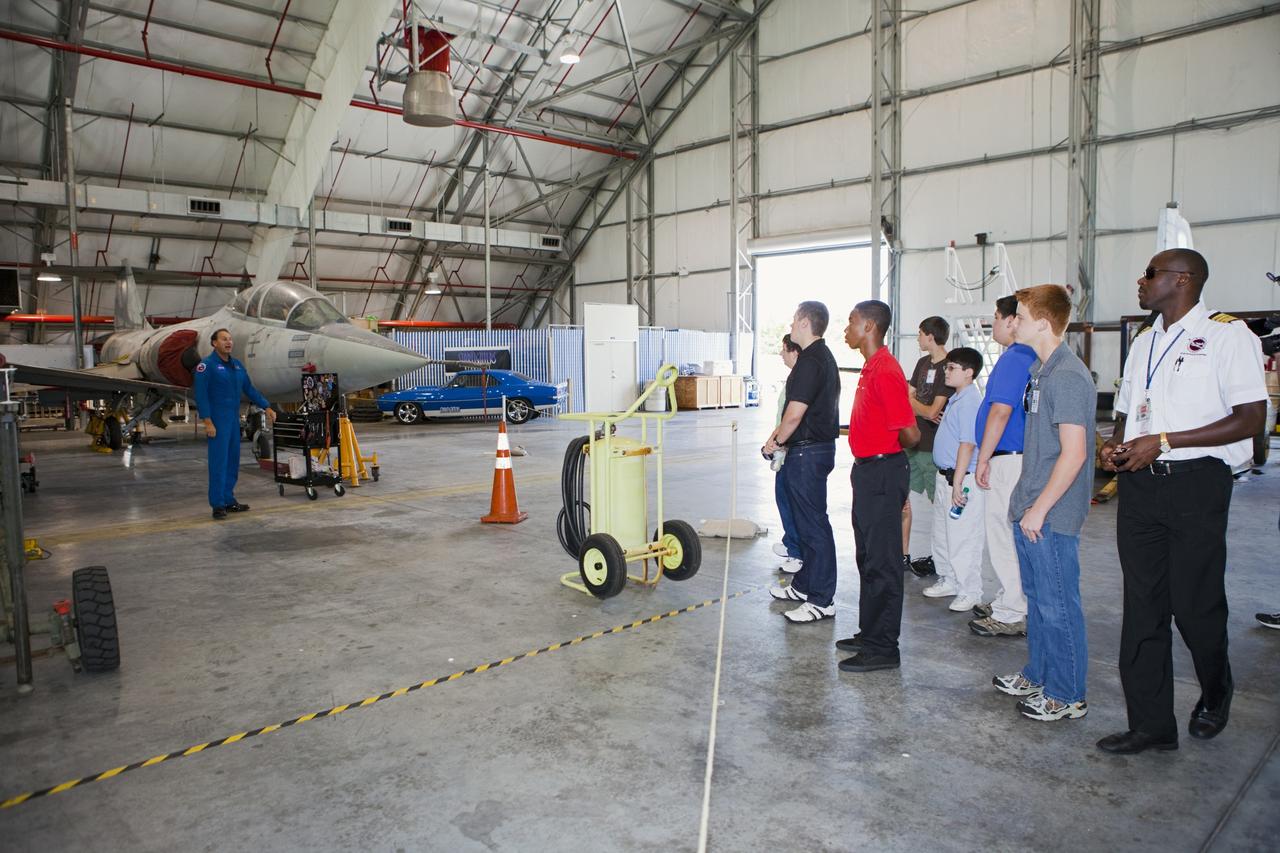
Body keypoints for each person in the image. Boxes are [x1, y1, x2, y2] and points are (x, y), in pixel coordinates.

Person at [1096, 249, 1268, 754]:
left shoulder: (1226, 335)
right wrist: (1117, 442)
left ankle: (1217, 690)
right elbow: (1129, 410)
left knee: (1195, 606)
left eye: (1150, 273)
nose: (1141, 280)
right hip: (1142, 485)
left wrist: (1166, 441)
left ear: (1182, 279)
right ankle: (1151, 724)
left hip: (1197, 483)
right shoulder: (1145, 341)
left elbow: (1250, 419)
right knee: (1143, 606)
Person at [991, 285, 1095, 722]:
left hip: (1051, 512)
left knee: (1058, 604)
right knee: (1038, 598)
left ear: (1043, 323)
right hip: (1031, 503)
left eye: (1018, 316)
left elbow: (1075, 453)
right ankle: (1039, 674)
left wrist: (1040, 508)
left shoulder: (1069, 376)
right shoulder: (1040, 370)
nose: (1011, 323)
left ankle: (1067, 693)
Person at [836, 300, 920, 672]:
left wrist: (885, 452)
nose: (847, 327)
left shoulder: (886, 370)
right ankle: (870, 634)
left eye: (851, 321)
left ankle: (884, 647)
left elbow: (911, 433)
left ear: (869, 326)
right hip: (868, 472)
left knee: (884, 563)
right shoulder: (870, 368)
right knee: (868, 557)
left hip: (883, 472)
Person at [764, 302, 842, 623]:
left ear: (806, 323)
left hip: (809, 452)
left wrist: (777, 441)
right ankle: (804, 584)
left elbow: (795, 413)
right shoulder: (815, 358)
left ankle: (822, 599)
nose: (791, 324)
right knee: (805, 523)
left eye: (795, 319)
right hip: (808, 450)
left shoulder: (812, 361)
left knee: (813, 526)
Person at [969, 295, 1037, 638]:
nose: (993, 324)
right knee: (1004, 533)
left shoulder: (1017, 357)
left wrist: (983, 458)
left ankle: (1012, 610)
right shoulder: (1020, 356)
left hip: (1008, 458)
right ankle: (1008, 598)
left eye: (997, 317)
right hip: (1011, 456)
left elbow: (1001, 411)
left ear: (1013, 321)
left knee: (1002, 533)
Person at [921, 346, 986, 613]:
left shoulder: (970, 401)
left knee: (963, 537)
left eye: (952, 368)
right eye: (947, 367)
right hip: (946, 476)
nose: (946, 372)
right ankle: (949, 578)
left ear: (968, 373)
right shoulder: (957, 398)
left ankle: (970, 590)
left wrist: (958, 482)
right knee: (942, 534)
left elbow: (967, 444)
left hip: (960, 478)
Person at [194, 328, 276, 520]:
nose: (228, 342)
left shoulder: (237, 366)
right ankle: (217, 504)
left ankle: (229, 499)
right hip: (217, 420)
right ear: (214, 343)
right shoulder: (206, 366)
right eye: (224, 339)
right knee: (218, 463)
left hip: (232, 420)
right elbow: (201, 396)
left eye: (230, 339)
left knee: (232, 461)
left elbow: (249, 389)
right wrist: (207, 421)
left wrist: (267, 407)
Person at [903, 316, 954, 577]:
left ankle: (943, 560)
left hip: (933, 447)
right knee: (903, 499)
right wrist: (923, 410)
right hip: (912, 440)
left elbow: (936, 409)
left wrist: (920, 407)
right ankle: (903, 553)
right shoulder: (923, 363)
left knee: (939, 504)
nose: (918, 339)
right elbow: (908, 397)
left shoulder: (950, 367)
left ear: (930, 336)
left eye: (920, 334)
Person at [772, 334, 804, 574]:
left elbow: (790, 418)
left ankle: (797, 552)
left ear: (794, 351)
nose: (781, 354)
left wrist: (775, 443)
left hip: (789, 448)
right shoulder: (794, 379)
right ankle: (791, 542)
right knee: (784, 498)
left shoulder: (800, 380)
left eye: (783, 349)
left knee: (789, 501)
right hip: (784, 448)